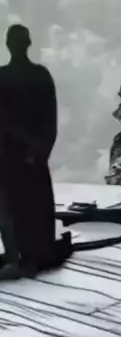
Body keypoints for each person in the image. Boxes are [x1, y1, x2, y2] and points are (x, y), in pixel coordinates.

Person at [0, 25, 57, 279]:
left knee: (15, 208)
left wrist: (36, 148)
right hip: (21, 155)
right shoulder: (40, 75)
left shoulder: (4, 77)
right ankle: (28, 255)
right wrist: (39, 148)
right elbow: (50, 119)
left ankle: (20, 257)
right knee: (28, 206)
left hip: (11, 156)